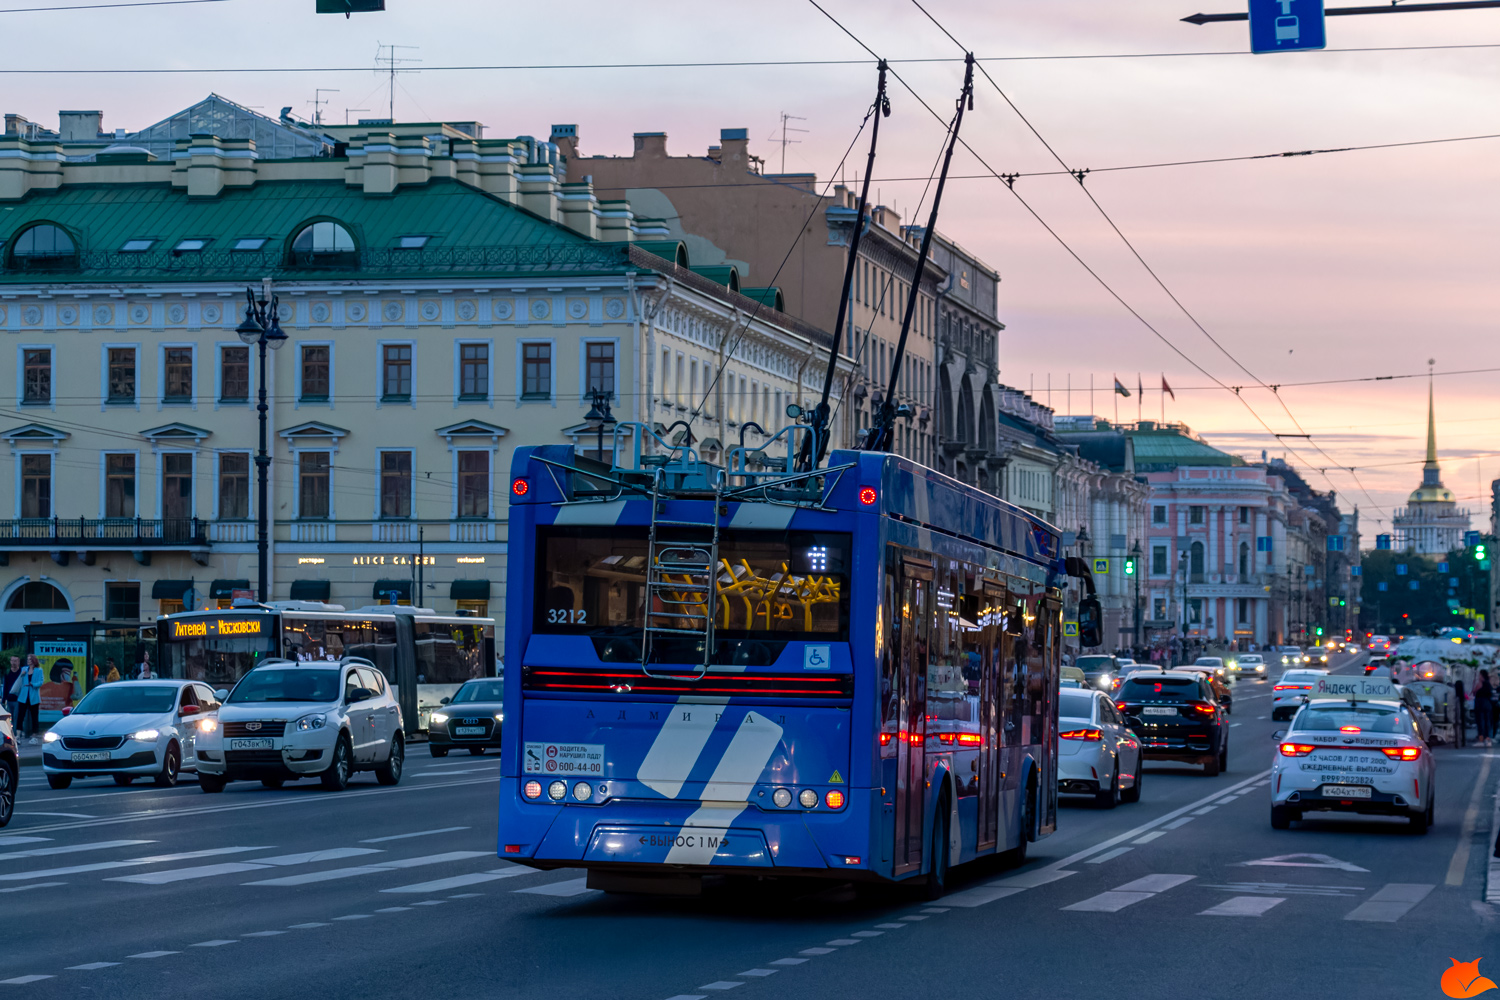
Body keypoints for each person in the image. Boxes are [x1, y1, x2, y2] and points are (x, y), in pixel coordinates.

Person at [16, 654, 43, 743]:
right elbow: (19, 681)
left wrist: (33, 684)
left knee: (34, 717)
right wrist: (22, 675)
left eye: (30, 659)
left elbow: (41, 682)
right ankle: (18, 736)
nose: (28, 661)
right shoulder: (24, 669)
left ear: (34, 661)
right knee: (20, 716)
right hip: (23, 697)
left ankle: (34, 736)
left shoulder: (39, 670)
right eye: (27, 659)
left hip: (33, 697)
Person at [1475, 669, 1495, 748]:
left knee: (1480, 721)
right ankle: (1488, 738)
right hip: (1488, 704)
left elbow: (1474, 691)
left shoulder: (1481, 684)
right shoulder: (1488, 684)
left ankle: (1481, 739)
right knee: (1487, 721)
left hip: (1480, 703)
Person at [1, 656, 20, 722]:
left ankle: (15, 731)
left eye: (15, 661)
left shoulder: (21, 672)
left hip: (18, 699)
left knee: (16, 717)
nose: (14, 663)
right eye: (12, 661)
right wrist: (3, 700)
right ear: (10, 661)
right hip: (9, 699)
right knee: (9, 719)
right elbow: (5, 686)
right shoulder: (8, 672)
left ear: (18, 662)